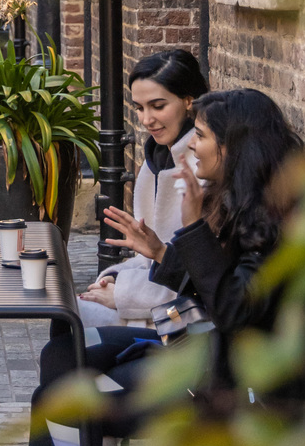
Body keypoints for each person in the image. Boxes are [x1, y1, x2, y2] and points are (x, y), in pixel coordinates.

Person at [23, 88, 305, 446]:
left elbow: (234, 312)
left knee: (63, 398)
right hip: (188, 342)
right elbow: (213, 287)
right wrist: (162, 253)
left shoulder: (269, 219)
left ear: (232, 146)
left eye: (200, 135)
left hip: (219, 380)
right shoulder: (235, 201)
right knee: (60, 352)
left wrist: (194, 228)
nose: (192, 144)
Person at [77, 48, 209, 327]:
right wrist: (112, 278)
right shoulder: (153, 164)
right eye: (139, 107)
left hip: (182, 317)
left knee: (73, 325)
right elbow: (147, 256)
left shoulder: (203, 170)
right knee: (72, 315)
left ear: (188, 101)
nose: (146, 119)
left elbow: (196, 275)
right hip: (154, 302)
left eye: (158, 106)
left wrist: (122, 294)